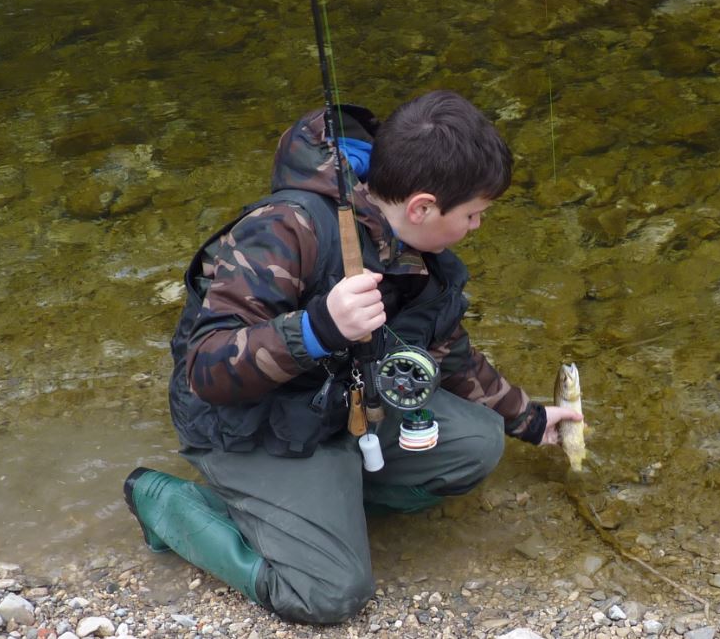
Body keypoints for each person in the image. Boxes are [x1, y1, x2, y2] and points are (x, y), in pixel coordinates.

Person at [122, 90, 583, 624]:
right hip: (249, 425)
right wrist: (317, 329)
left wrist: (530, 419)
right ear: (422, 207)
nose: (477, 226)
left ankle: (325, 511)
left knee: (478, 442)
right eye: (473, 214)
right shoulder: (285, 230)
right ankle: (168, 503)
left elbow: (449, 354)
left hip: (342, 407)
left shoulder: (420, 257)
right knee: (331, 594)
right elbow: (207, 369)